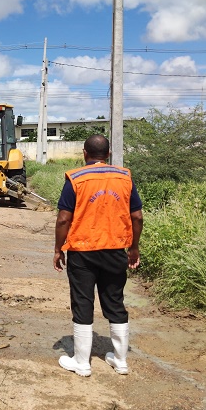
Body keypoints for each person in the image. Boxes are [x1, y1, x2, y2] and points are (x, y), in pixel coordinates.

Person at [53, 134, 143, 377]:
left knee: (83, 302)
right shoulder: (124, 177)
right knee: (115, 302)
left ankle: (82, 363)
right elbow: (137, 217)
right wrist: (133, 247)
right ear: (109, 154)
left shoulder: (76, 178)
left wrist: (58, 249)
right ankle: (121, 361)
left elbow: (64, 218)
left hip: (83, 252)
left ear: (85, 153)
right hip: (115, 250)